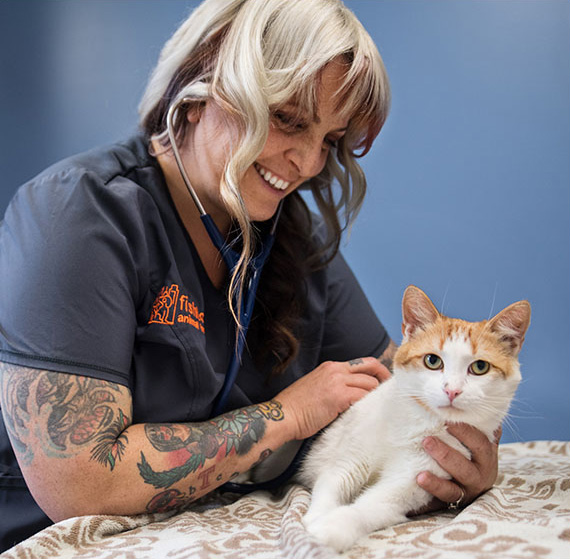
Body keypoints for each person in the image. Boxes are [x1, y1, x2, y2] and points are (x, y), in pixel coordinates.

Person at [0, 0, 499, 552]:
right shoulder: (78, 217)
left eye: (330, 140)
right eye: (287, 119)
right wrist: (285, 416)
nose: (309, 163)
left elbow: (397, 391)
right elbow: (78, 483)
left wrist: (458, 457)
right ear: (201, 87)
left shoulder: (286, 235)